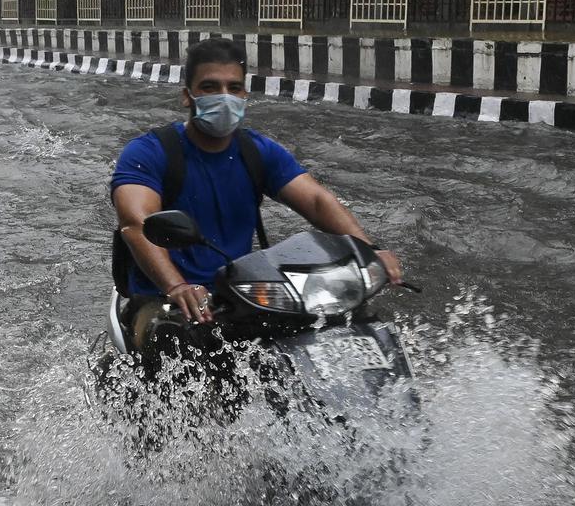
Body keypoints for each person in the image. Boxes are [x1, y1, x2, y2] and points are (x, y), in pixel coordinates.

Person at [110, 37, 403, 355]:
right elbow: (136, 224)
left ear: (244, 95)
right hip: (162, 298)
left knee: (344, 324)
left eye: (233, 88)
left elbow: (317, 201)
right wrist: (177, 286)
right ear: (187, 96)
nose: (224, 97)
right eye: (210, 87)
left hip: (239, 294)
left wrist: (369, 249)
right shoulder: (149, 152)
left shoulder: (258, 152)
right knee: (172, 339)